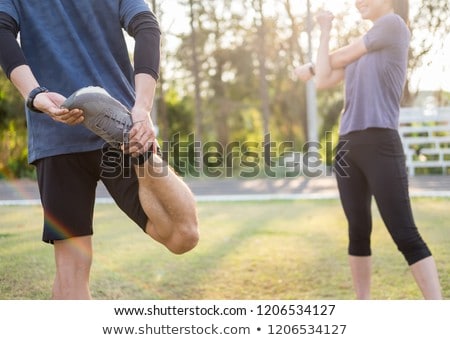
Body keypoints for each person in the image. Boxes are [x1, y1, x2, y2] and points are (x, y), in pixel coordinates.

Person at [0, 0, 199, 299]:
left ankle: (142, 150)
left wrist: (140, 113)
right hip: (59, 137)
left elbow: (146, 26)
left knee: (183, 234)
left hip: (120, 128)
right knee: (70, 276)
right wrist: (36, 95)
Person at [295, 0, 442, 299]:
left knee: (404, 233)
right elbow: (324, 79)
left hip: (380, 142)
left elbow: (331, 62)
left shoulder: (393, 26)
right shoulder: (362, 46)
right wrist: (325, 32)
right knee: (358, 231)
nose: (357, 2)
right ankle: (363, 307)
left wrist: (311, 65)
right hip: (348, 145)